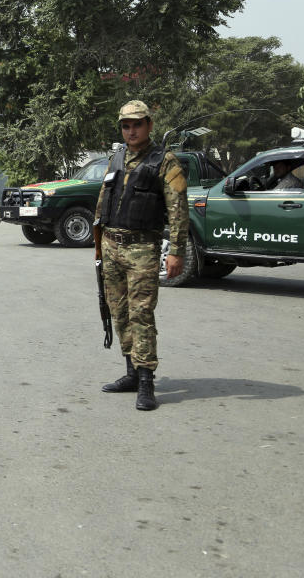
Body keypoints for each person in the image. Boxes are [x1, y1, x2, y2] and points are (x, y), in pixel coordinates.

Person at [94, 100, 189, 411]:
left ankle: (146, 381)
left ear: (149, 124)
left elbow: (178, 211)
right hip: (111, 246)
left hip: (142, 249)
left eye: (136, 124)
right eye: (125, 125)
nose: (131, 130)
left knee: (141, 315)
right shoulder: (117, 157)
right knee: (118, 311)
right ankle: (131, 373)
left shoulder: (166, 161)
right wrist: (97, 243)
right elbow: (102, 201)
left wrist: (176, 251)